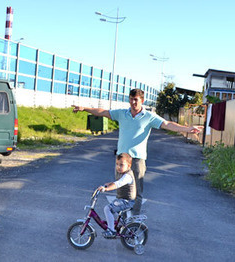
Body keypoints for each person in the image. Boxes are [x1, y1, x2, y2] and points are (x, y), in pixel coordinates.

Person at [73, 88, 202, 215]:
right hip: (122, 159)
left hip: (137, 160)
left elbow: (167, 124)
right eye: (131, 99)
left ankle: (133, 221)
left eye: (136, 100)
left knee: (136, 192)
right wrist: (84, 108)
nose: (133, 103)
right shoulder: (122, 113)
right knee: (121, 191)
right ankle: (122, 221)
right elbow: (103, 112)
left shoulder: (149, 117)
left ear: (142, 100)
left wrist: (188, 129)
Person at [97, 153, 136, 238]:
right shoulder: (123, 173)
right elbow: (115, 182)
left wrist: (106, 189)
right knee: (114, 210)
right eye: (117, 164)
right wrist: (107, 185)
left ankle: (111, 230)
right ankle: (120, 226)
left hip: (127, 201)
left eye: (121, 165)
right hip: (122, 200)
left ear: (129, 165)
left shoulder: (128, 176)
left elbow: (118, 184)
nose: (118, 167)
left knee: (108, 208)